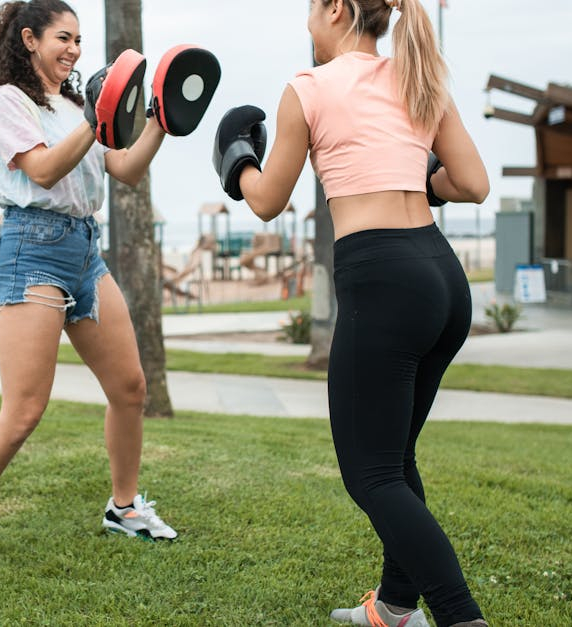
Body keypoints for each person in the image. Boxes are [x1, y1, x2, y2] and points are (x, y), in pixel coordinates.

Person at [212, 0, 490, 625]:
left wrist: (237, 161)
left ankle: (461, 617)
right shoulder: (417, 78)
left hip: (384, 280)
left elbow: (266, 201)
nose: (307, 19)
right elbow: (472, 183)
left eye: (311, 7)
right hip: (443, 280)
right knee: (395, 458)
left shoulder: (308, 87)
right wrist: (422, 178)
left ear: (336, 9)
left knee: (371, 475)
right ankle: (394, 607)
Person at [0, 0, 178, 573]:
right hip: (30, 250)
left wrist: (160, 119)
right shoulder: (8, 102)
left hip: (85, 250)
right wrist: (98, 118)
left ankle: (124, 507)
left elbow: (126, 170)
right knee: (24, 409)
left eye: (80, 41)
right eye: (63, 38)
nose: (74, 50)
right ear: (31, 40)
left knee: (131, 387)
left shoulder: (76, 105)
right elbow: (41, 171)